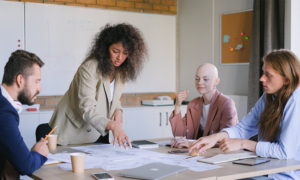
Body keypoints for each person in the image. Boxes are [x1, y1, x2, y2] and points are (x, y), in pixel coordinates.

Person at [190, 49, 300, 179]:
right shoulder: (268, 97)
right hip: (268, 169)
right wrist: (216, 137)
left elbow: (284, 152)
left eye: (268, 75)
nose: (261, 78)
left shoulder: (296, 101)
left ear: (286, 80)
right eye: (263, 72)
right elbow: (245, 127)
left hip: (287, 175)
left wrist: (243, 143)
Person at [49, 23, 148, 148]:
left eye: (125, 53)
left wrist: (118, 108)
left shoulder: (122, 69)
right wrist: (113, 126)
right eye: (115, 51)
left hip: (96, 133)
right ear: (106, 47)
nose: (120, 57)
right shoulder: (90, 67)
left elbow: (111, 95)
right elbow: (87, 109)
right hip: (72, 132)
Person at [0, 50, 49, 179]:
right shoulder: (4, 112)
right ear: (20, 80)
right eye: (36, 81)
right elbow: (26, 165)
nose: (40, 88)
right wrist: (39, 154)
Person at [170, 63, 239, 148]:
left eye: (205, 79)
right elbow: (178, 134)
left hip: (221, 154)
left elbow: (227, 139)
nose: (200, 82)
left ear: (216, 81)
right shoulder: (193, 104)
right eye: (197, 79)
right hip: (198, 153)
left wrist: (191, 144)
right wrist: (177, 105)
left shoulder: (226, 103)